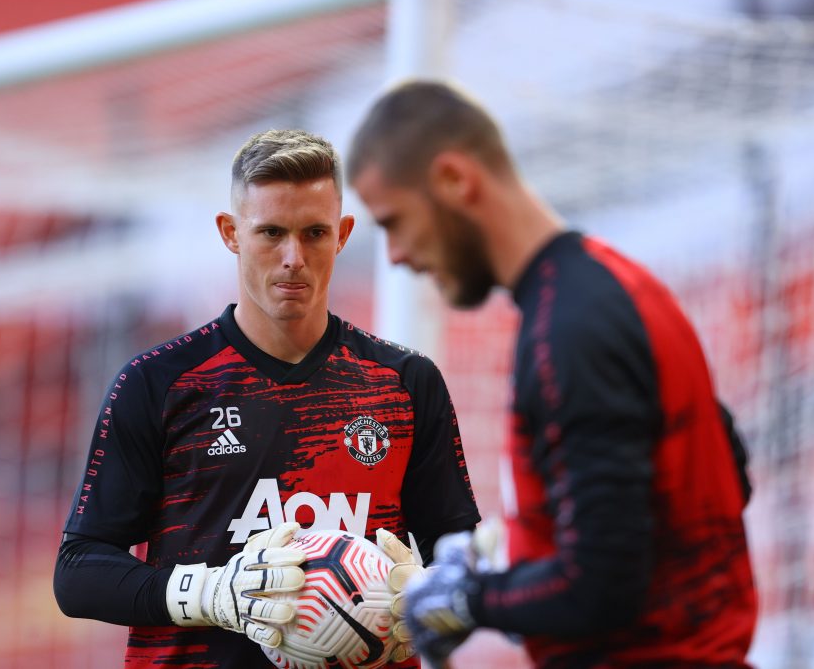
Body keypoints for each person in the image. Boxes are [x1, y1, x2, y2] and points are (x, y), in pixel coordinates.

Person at [347, 80, 758, 668]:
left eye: (392, 222)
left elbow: (601, 585)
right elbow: (723, 472)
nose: (394, 255)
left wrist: (469, 599)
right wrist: (511, 557)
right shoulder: (623, 286)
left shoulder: (568, 331)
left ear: (454, 181)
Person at [54, 128, 481, 669]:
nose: (293, 257)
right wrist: (212, 594)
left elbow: (464, 559)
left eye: (315, 233)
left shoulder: (404, 381)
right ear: (231, 233)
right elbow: (79, 572)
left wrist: (424, 600)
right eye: (271, 232)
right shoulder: (160, 383)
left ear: (344, 234)